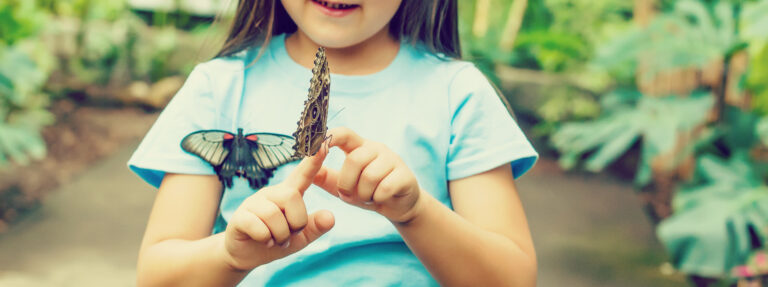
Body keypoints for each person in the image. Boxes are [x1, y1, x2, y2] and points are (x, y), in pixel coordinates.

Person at [128, 0, 539, 286]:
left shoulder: (458, 93)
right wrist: (231, 255)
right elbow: (158, 277)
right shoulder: (216, 88)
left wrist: (415, 213)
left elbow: (511, 279)